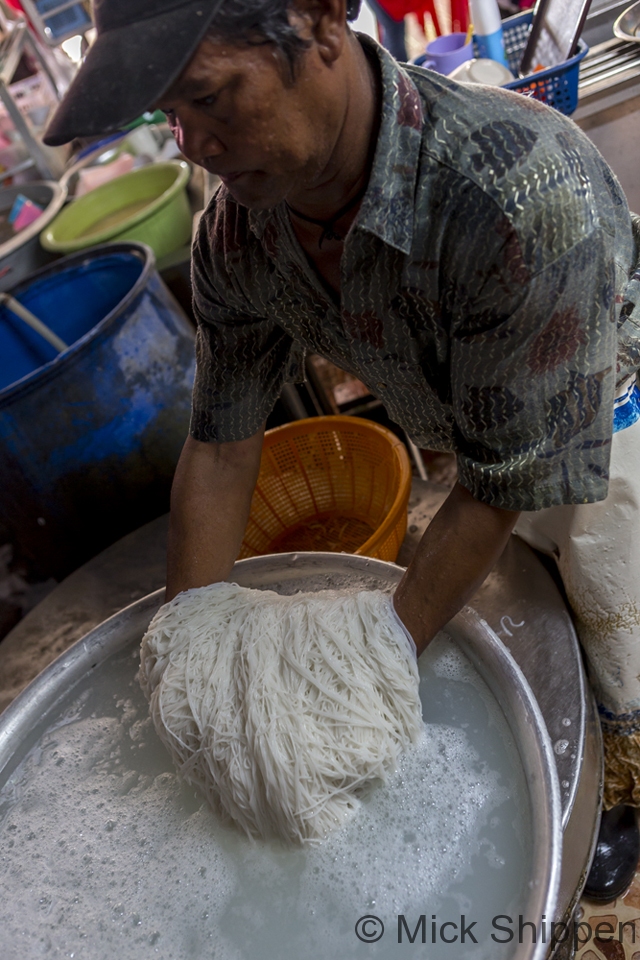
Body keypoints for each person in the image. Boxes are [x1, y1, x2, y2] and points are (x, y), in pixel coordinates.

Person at [44, 0, 640, 902]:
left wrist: (350, 685)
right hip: (478, 429)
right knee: (531, 578)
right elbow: (219, 447)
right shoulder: (245, 232)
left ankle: (616, 794)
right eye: (169, 114)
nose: (188, 146)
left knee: (611, 603)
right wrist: (199, 655)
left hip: (611, 402)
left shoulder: (518, 198)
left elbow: (499, 484)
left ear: (318, 22)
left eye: (208, 97)